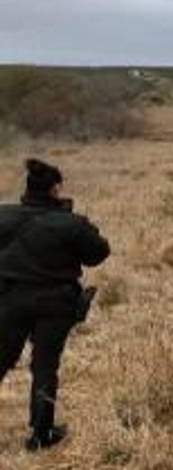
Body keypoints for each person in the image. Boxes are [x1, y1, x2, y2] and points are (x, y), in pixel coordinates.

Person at [0, 159, 110, 451]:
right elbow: (98, 254)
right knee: (45, 366)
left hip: (11, 300)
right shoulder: (71, 224)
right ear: (55, 188)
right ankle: (41, 434)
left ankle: (42, 433)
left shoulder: (4, 217)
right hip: (55, 304)